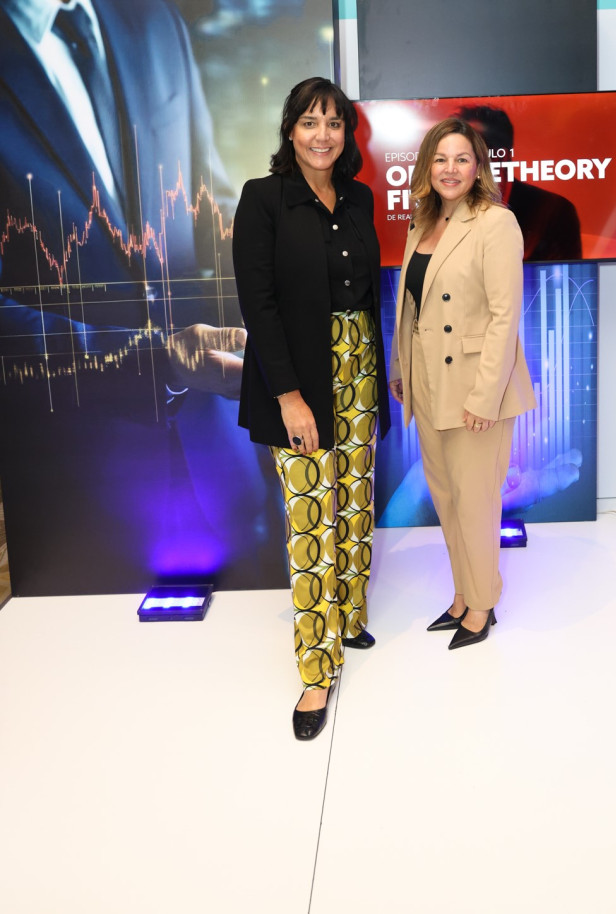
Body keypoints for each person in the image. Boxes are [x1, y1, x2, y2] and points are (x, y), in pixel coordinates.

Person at [0, 0, 267, 595]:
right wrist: (157, 359)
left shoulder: (154, 23)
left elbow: (210, 211)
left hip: (221, 462)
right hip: (75, 492)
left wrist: (282, 302)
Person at [232, 77, 390, 740]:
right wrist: (288, 394)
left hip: (360, 365)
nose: (323, 134)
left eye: (334, 123)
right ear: (290, 130)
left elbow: (367, 295)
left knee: (354, 500)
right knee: (310, 521)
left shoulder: (358, 197)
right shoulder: (263, 199)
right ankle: (316, 672)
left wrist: (380, 372)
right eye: (309, 122)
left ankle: (349, 618)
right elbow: (258, 304)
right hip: (297, 374)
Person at [389, 117, 536, 649]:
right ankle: (461, 594)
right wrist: (400, 367)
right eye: (441, 159)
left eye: (462, 159)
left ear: (478, 168)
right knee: (447, 498)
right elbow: (411, 305)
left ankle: (483, 605)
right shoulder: (421, 223)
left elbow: (504, 316)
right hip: (427, 382)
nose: (451, 169)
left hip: (476, 387)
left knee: (476, 503)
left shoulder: (495, 222)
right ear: (428, 166)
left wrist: (485, 398)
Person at [455, 104, 583, 263]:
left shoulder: (554, 211)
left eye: (471, 153)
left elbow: (565, 280)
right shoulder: (445, 210)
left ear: (503, 156)